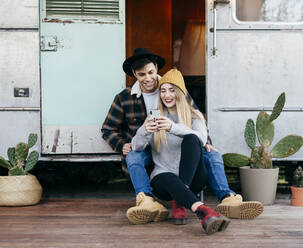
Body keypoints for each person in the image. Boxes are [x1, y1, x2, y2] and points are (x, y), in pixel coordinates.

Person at [101, 48, 263, 225]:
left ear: (156, 69)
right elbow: (109, 129)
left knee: (210, 152)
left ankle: (228, 198)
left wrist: (204, 142)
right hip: (150, 148)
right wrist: (124, 143)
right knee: (133, 153)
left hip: (179, 148)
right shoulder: (125, 97)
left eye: (151, 73)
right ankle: (147, 201)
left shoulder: (174, 86)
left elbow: (194, 123)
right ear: (134, 74)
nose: (148, 78)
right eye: (142, 75)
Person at [131, 69, 230, 234]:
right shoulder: (153, 118)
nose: (167, 95)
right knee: (168, 177)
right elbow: (136, 147)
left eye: (171, 90)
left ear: (180, 93)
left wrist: (173, 127)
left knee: (192, 138)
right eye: (163, 90)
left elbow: (201, 139)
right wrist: (144, 131)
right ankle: (203, 211)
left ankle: (181, 199)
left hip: (193, 179)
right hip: (164, 180)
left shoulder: (195, 115)